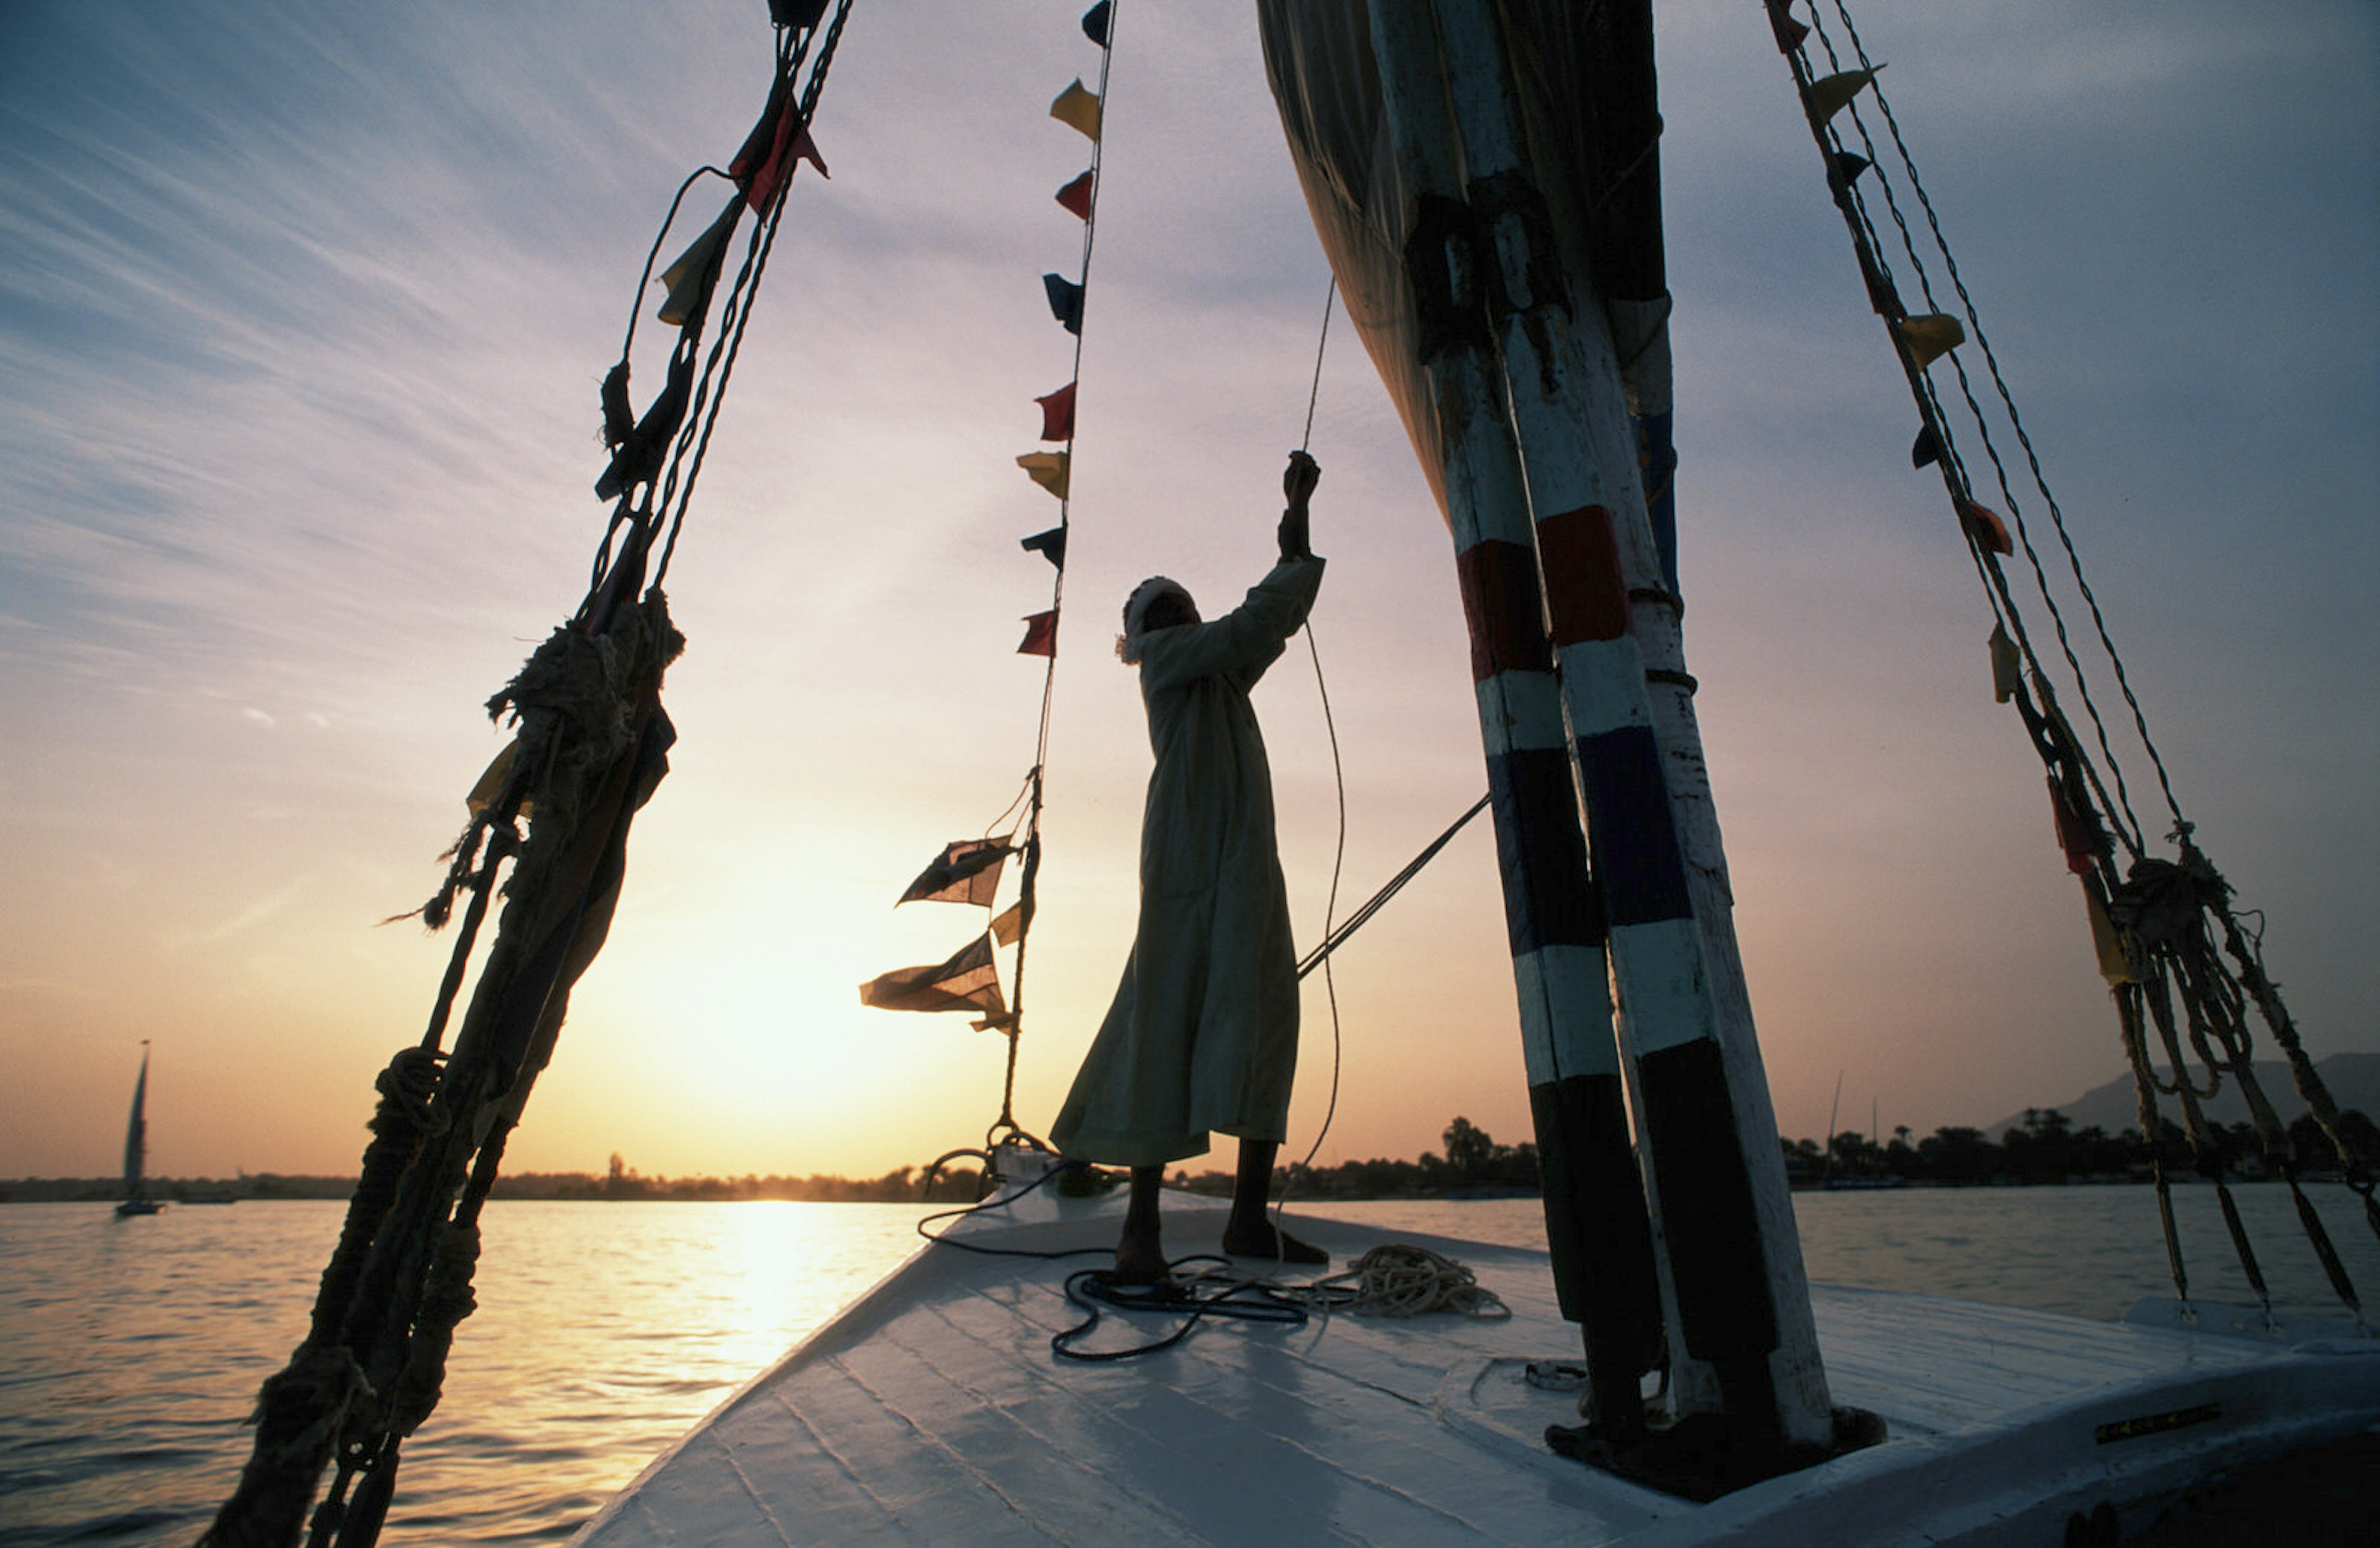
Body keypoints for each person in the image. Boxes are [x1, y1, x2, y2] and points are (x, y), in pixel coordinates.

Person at [1051, 451, 1327, 1282]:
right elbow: (1251, 624)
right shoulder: (1171, 666)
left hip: (1242, 864)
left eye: (1182, 604)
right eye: (1163, 611)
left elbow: (1265, 626)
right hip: (1180, 860)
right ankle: (1141, 1229)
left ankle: (1248, 1220)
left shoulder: (1221, 676)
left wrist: (1295, 530)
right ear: (1141, 639)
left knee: (1263, 1015)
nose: (1177, 613)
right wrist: (1289, 551)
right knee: (1163, 1025)